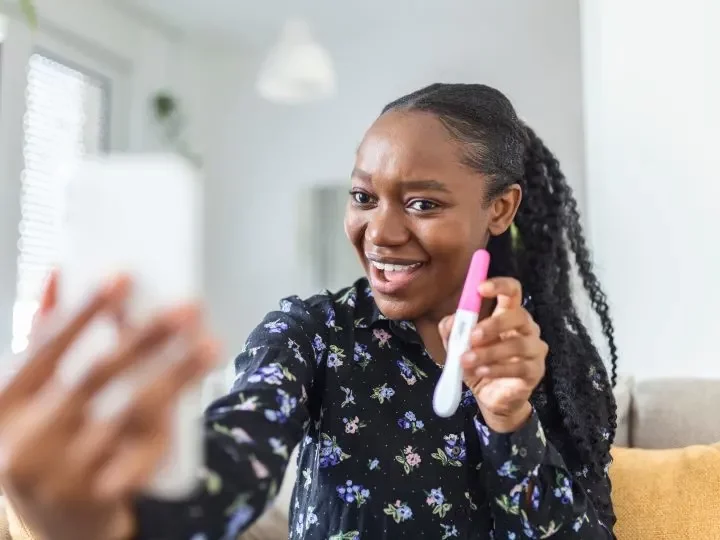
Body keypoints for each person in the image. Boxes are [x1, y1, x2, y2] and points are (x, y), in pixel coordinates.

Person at [0, 83, 618, 540]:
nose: (380, 232)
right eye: (363, 196)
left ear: (500, 209)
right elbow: (242, 448)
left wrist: (511, 423)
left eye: (423, 204)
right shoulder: (312, 333)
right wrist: (115, 519)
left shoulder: (548, 363)